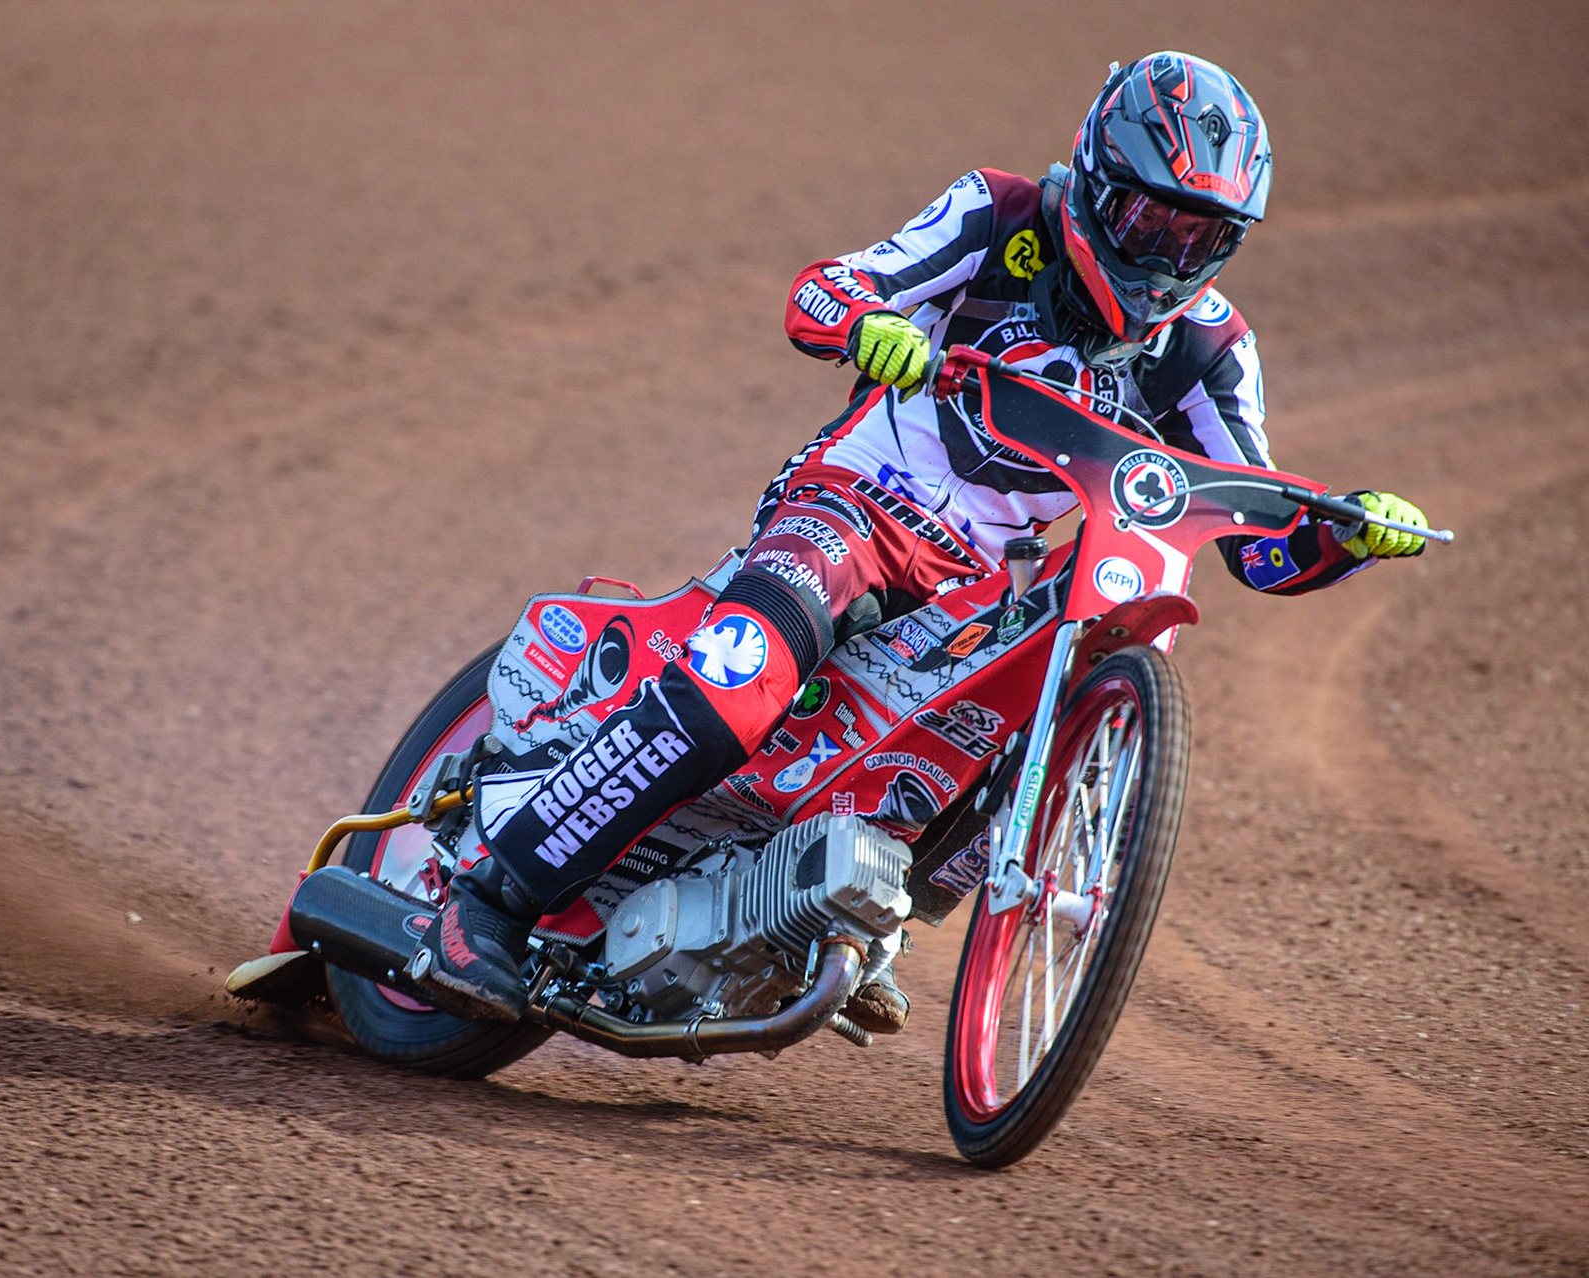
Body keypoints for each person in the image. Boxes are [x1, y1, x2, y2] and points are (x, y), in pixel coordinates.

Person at [414, 51, 1430, 1025]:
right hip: (858, 504)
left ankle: (853, 915)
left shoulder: (1214, 348)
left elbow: (1255, 531)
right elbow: (824, 288)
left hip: (978, 588)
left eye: (1203, 238)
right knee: (743, 674)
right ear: (1095, 174)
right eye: (1152, 219)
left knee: (1034, 690)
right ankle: (488, 903)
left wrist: (1346, 533)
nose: (1171, 257)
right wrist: (868, 324)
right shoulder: (999, 214)